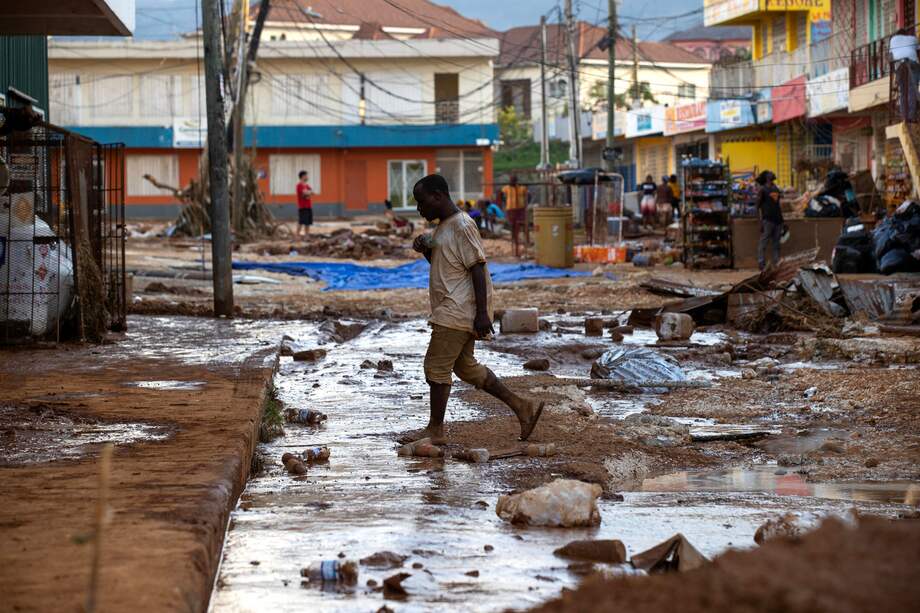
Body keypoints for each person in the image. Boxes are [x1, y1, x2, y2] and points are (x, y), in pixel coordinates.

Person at [411, 174, 544, 445]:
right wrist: (426, 250)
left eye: (421, 202)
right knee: (465, 367)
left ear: (437, 196)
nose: (419, 209)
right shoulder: (444, 228)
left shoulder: (462, 226)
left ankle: (435, 430)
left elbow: (478, 268)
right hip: (454, 308)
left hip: (457, 310)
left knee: (435, 367)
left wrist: (483, 313)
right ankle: (522, 407)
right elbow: (448, 266)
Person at [890, 27, 920, 122]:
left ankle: (904, 117)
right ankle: (912, 116)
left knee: (903, 91)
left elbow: (890, 57)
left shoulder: (892, 40)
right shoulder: (913, 38)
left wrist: (894, 74)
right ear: (906, 34)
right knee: (912, 89)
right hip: (912, 64)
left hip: (899, 65)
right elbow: (919, 53)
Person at [756, 170, 783, 270]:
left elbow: (778, 205)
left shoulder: (776, 188)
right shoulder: (762, 190)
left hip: (778, 219)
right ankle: (761, 262)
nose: (772, 173)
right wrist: (760, 222)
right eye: (770, 173)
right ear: (767, 177)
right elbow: (757, 207)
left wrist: (782, 220)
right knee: (764, 242)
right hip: (767, 220)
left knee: (776, 243)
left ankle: (776, 263)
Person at [500, 175, 529, 257]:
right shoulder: (506, 188)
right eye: (511, 180)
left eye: (513, 180)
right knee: (512, 225)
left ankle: (524, 241)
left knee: (521, 225)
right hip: (511, 209)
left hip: (520, 209)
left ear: (516, 181)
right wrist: (504, 202)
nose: (512, 182)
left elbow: (528, 195)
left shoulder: (521, 188)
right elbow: (501, 194)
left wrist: (525, 204)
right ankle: (514, 240)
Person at [295, 170, 313, 237]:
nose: (307, 177)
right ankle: (297, 236)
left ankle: (307, 236)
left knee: (308, 223)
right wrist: (308, 193)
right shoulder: (299, 185)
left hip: (308, 206)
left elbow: (311, 192)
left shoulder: (306, 185)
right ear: (303, 176)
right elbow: (306, 193)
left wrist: (308, 193)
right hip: (302, 206)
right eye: (306, 176)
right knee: (301, 222)